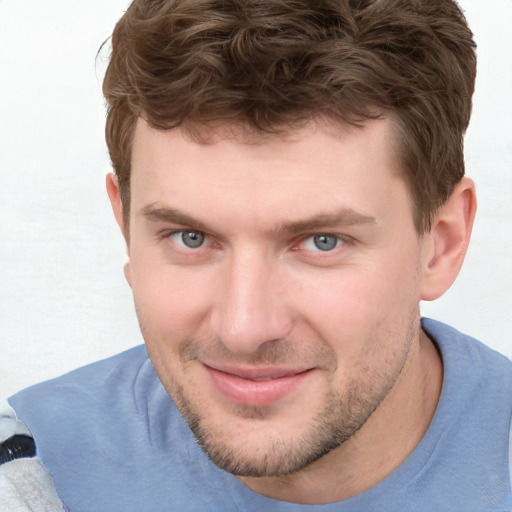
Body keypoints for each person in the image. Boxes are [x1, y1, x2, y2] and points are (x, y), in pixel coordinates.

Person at [5, 0, 511, 510]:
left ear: (442, 244)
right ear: (125, 227)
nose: (244, 329)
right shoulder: (26, 470)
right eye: (190, 237)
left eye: (321, 242)